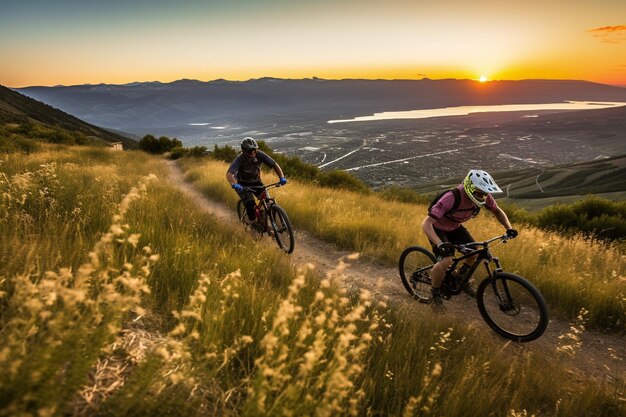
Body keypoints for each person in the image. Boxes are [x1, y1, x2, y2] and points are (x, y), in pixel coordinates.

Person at [421, 169, 518, 306]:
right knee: (446, 259)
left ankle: (460, 279)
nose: (483, 196)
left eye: (485, 193)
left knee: (474, 252)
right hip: (437, 229)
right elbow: (426, 224)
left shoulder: (483, 197)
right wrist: (439, 244)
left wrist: (509, 228)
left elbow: (497, 210)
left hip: (455, 227)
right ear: (469, 188)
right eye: (480, 193)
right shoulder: (451, 197)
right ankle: (435, 293)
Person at [226, 137, 287, 225]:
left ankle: (270, 224)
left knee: (268, 202)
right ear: (243, 151)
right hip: (242, 184)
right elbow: (229, 174)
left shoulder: (260, 154)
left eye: (254, 149)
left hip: (256, 182)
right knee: (250, 205)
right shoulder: (240, 159)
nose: (253, 152)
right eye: (250, 150)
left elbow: (274, 165)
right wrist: (234, 184)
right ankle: (252, 223)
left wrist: (282, 177)